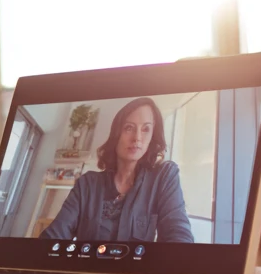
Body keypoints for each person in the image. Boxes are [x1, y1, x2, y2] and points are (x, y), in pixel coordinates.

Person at [41, 97, 195, 243]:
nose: (137, 138)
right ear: (116, 133)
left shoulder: (164, 177)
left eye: (146, 129)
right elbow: (55, 235)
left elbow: (178, 234)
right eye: (129, 128)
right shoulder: (87, 184)